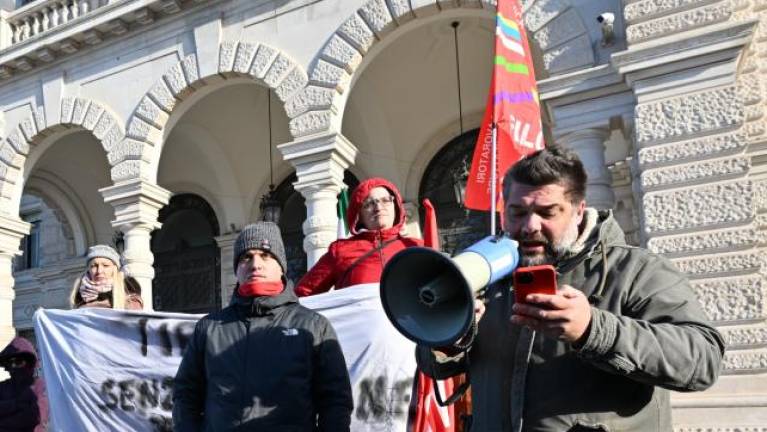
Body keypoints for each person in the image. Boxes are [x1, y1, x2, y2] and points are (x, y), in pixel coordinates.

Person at [416, 146, 725, 431]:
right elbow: (432, 366)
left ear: (578, 210)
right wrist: (450, 339)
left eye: (547, 212)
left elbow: (701, 361)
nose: (529, 227)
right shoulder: (487, 275)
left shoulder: (636, 270)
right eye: (517, 212)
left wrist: (593, 329)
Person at [173, 222, 353, 431]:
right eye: (246, 257)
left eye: (265, 255)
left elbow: (335, 402)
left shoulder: (314, 327)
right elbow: (185, 395)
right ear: (237, 269)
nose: (255, 264)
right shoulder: (209, 328)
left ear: (281, 266)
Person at [295, 177, 423, 296]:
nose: (378, 207)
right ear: (358, 215)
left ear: (396, 207)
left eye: (385, 200)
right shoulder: (340, 250)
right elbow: (304, 294)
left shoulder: (416, 247)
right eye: (369, 204)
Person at [70, 245, 143, 310]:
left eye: (105, 266)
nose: (99, 271)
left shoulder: (129, 292)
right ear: (88, 269)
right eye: (94, 266)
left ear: (114, 268)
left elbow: (133, 321)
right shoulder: (79, 293)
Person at [0, 336, 48, 432]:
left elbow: (34, 416)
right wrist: (17, 404)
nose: (12, 367)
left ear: (29, 362)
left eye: (17, 362)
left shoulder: (41, 386)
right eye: (9, 363)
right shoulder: (3, 387)